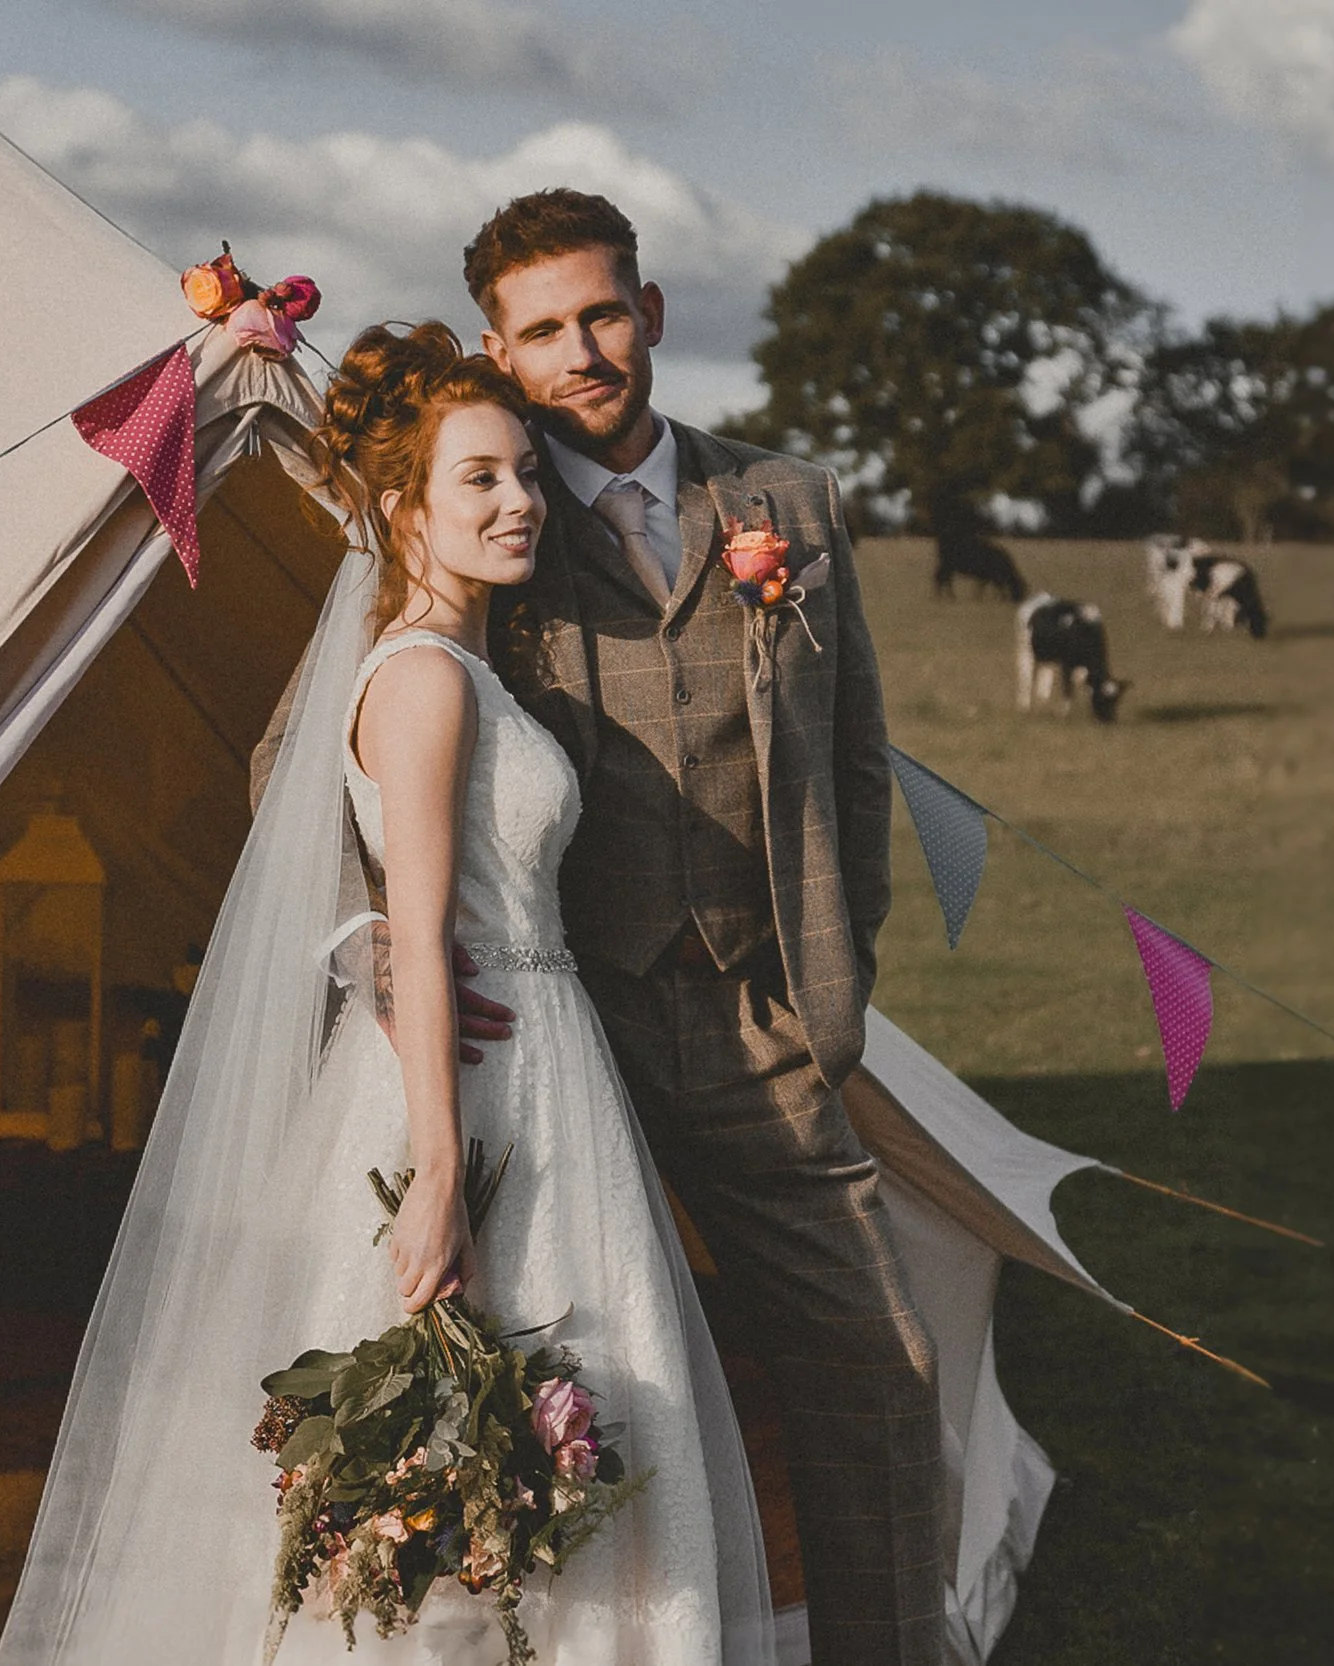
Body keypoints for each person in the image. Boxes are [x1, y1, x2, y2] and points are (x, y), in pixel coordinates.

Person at [0, 323, 777, 1665]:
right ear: (400, 506)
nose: (522, 501)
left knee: (548, 1442)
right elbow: (416, 933)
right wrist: (436, 1173)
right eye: (479, 478)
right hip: (470, 1102)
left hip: (541, 1080)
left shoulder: (471, 667)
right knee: (453, 1453)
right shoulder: (420, 678)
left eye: (525, 474)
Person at [470, 190, 940, 1666]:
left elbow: (857, 758)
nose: (581, 352)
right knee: (566, 1395)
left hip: (761, 1019)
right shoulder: (479, 504)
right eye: (541, 330)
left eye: (602, 313)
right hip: (568, 1029)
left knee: (882, 1364)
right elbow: (329, 747)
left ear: (653, 311)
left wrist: (829, 969)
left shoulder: (785, 505)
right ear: (500, 348)